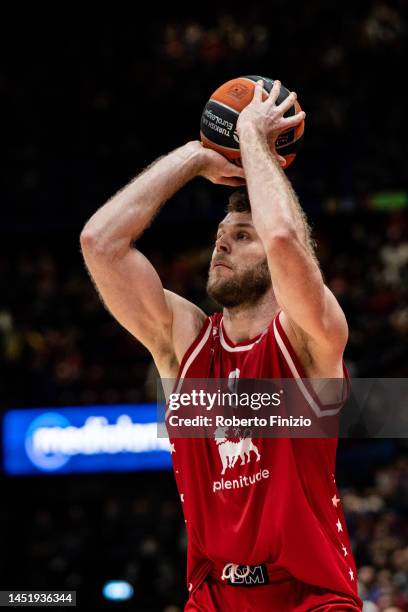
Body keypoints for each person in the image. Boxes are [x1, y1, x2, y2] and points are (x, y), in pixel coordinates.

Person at [80, 80, 363, 611]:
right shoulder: (183, 342)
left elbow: (283, 238)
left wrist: (255, 141)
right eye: (220, 236)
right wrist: (194, 156)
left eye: (241, 236)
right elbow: (100, 243)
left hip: (311, 598)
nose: (222, 244)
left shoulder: (310, 337)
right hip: (211, 598)